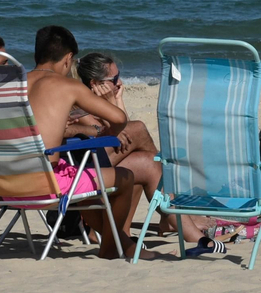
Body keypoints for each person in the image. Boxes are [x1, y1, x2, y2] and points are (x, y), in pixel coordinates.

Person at [71, 53, 225, 257]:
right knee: (139, 131)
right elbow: (116, 134)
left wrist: (116, 100)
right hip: (83, 171)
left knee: (149, 162)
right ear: (95, 83)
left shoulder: (93, 102)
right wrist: (112, 102)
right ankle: (173, 215)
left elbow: (119, 131)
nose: (120, 83)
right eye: (114, 80)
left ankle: (166, 226)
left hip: (99, 166)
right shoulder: (79, 103)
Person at [24, 25, 147, 260]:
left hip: (0, 182)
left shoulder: (10, 84)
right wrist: (109, 114)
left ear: (36, 55)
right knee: (124, 177)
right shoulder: (67, 86)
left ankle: (126, 245)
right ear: (68, 58)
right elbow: (119, 119)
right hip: (44, 183)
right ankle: (112, 247)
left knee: (92, 175)